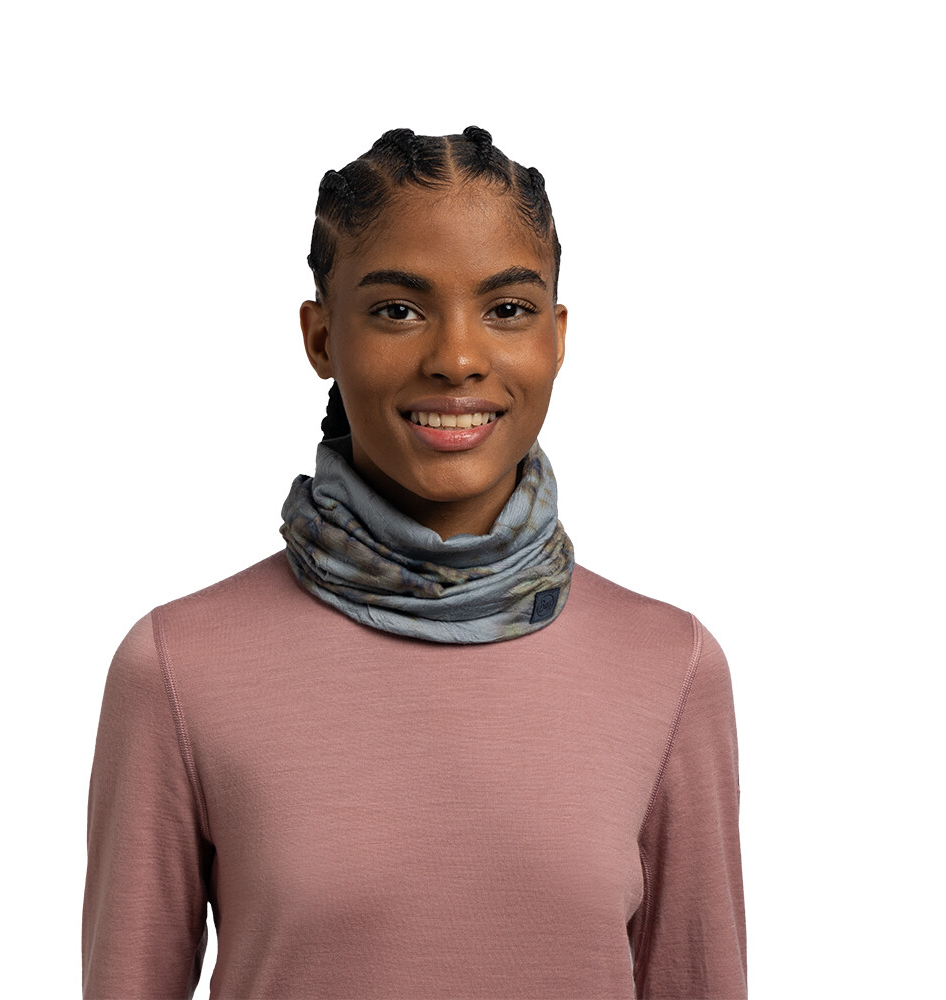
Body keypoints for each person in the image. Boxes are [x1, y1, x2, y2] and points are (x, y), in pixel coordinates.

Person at [82, 126, 747, 999]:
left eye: (507, 310)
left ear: (556, 338)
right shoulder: (177, 668)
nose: (457, 359)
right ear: (322, 337)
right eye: (398, 310)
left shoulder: (671, 668)